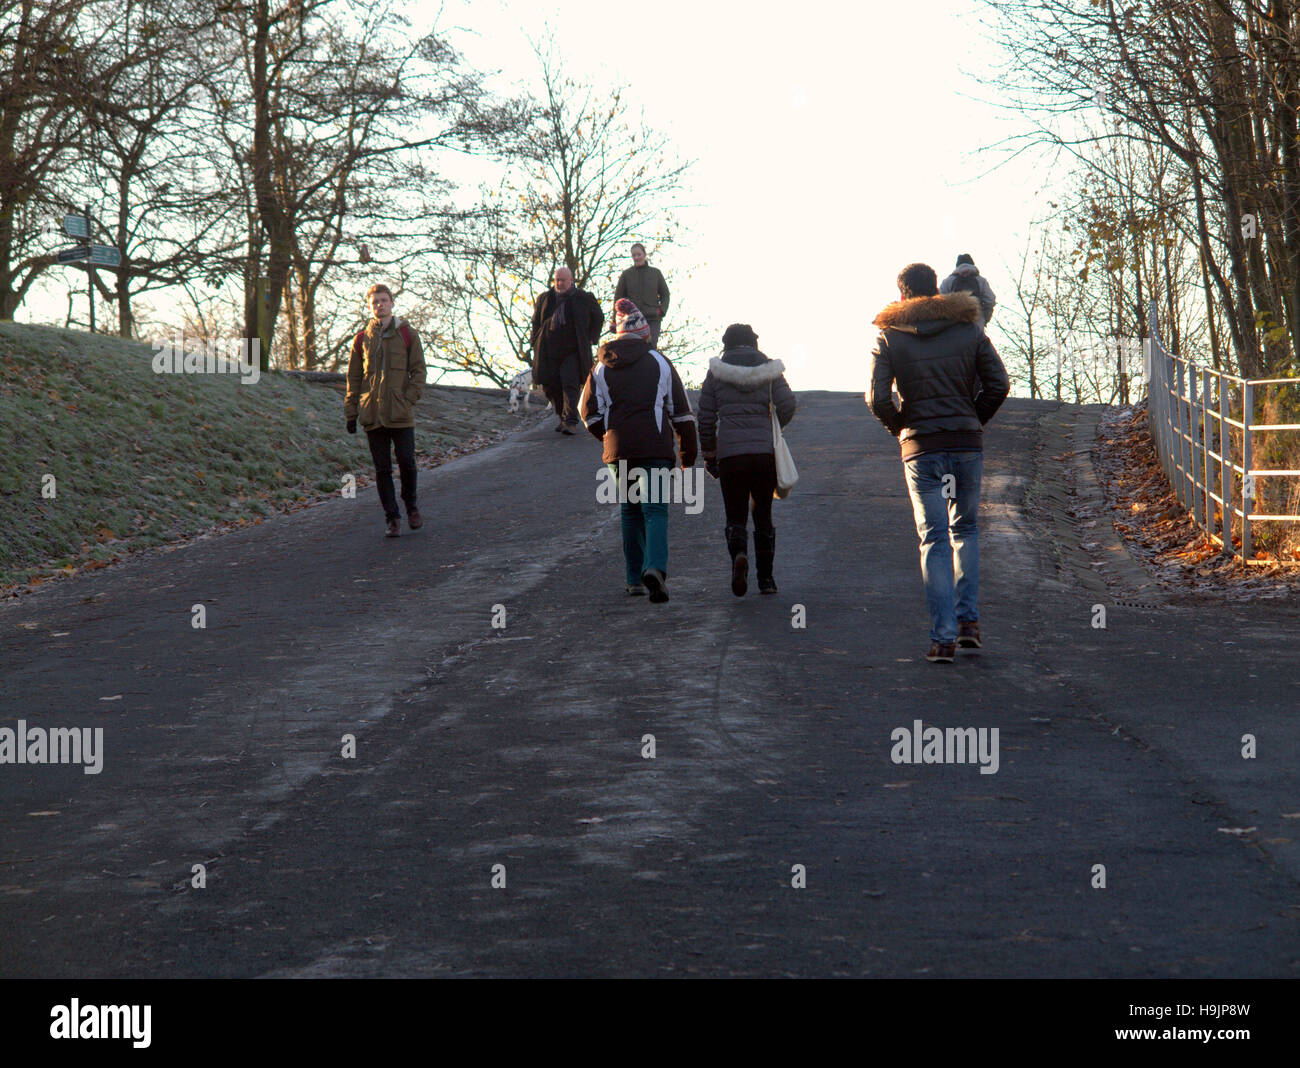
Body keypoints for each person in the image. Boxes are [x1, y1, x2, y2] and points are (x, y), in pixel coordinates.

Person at [867, 263, 1009, 663]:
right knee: (966, 528)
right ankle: (970, 625)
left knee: (934, 539)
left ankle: (942, 639)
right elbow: (999, 383)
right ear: (937, 291)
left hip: (921, 448)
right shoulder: (969, 329)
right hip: (965, 443)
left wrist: (902, 428)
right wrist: (973, 419)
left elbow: (877, 398)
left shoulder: (890, 336)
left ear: (902, 297)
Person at [579, 298, 697, 602]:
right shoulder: (659, 362)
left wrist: (608, 435)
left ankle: (634, 579)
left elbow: (588, 413)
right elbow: (681, 413)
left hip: (620, 452)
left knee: (631, 512)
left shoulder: (601, 368)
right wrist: (688, 454)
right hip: (655, 447)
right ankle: (655, 568)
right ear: (645, 333)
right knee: (655, 510)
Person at [697, 323, 796, 596]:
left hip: (731, 455)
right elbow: (787, 403)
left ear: (726, 344)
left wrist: (710, 453)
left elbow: (705, 417)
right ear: (754, 342)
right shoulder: (770, 370)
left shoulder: (715, 372)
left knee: (735, 515)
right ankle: (766, 580)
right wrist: (774, 426)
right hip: (764, 454)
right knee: (763, 514)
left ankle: (739, 555)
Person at [345, 283, 427, 538]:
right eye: (375, 302)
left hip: (401, 413)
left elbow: (419, 371)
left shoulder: (407, 334)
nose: (379, 305)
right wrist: (351, 411)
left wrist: (408, 399)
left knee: (407, 462)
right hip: (373, 414)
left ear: (392, 303)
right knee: (382, 469)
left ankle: (411, 505)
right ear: (370, 307)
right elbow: (354, 378)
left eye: (383, 300)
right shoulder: (361, 339)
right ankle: (392, 518)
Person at [530, 266, 602, 434]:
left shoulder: (583, 298)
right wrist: (534, 341)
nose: (559, 283)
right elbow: (535, 322)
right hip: (548, 351)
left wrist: (591, 337)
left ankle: (570, 421)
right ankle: (563, 416)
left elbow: (598, 317)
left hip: (573, 350)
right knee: (550, 385)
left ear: (571, 281)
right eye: (557, 280)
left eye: (563, 280)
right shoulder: (545, 299)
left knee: (570, 383)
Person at [613, 243, 670, 348]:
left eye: (638, 254)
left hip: (652, 319)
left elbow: (665, 294)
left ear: (644, 254)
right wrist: (614, 321)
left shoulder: (655, 273)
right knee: (632, 349)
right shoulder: (626, 274)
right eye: (634, 255)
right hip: (632, 320)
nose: (636, 257)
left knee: (650, 348)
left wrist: (661, 310)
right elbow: (618, 299)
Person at [939, 253, 997, 326]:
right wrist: (984, 318)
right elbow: (990, 300)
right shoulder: (980, 280)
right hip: (976, 325)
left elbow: (940, 302)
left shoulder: (948, 281)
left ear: (957, 266)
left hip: (954, 325)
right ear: (973, 264)